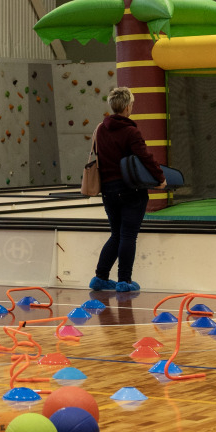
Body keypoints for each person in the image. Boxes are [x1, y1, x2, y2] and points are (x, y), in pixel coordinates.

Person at [89, 86, 165, 293]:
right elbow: (145, 157)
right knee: (128, 236)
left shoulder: (100, 129)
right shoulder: (131, 131)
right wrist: (160, 178)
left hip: (108, 190)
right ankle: (124, 281)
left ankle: (100, 278)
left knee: (116, 234)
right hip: (131, 191)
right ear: (128, 107)